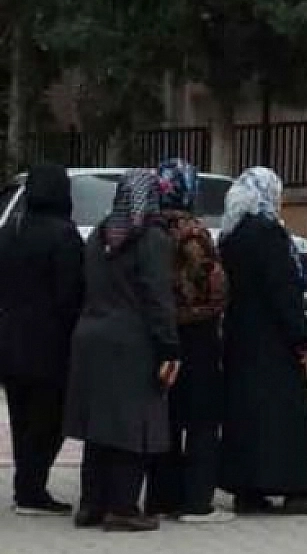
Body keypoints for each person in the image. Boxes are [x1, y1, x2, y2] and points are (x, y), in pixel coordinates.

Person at [62, 169, 177, 532]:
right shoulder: (151, 237)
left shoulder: (101, 233)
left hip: (90, 335)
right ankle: (123, 508)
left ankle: (91, 505)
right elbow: (157, 297)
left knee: (99, 426)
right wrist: (169, 345)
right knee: (133, 425)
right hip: (131, 340)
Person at [217, 167, 307, 516]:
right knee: (284, 415)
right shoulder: (269, 234)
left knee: (246, 415)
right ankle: (295, 487)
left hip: (241, 336)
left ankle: (248, 487)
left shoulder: (233, 234)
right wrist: (301, 335)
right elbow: (283, 291)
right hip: (272, 341)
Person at [144, 159, 232, 523]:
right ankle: (197, 501)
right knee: (201, 419)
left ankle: (162, 497)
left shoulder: (147, 227)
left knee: (165, 415)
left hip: (157, 334)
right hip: (196, 336)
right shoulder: (192, 232)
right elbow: (215, 285)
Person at [0, 164, 85, 515]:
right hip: (50, 340)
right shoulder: (63, 235)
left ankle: (26, 486)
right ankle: (32, 489)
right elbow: (69, 293)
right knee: (50, 416)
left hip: (8, 336)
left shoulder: (9, 230)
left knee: (21, 415)